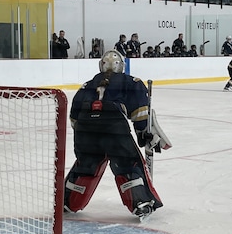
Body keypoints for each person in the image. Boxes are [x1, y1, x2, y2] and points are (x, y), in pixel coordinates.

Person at [63, 50, 168, 219]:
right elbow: (140, 113)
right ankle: (140, 202)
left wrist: (86, 138)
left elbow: (74, 118)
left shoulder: (87, 84)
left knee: (86, 164)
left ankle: (68, 201)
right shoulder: (131, 82)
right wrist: (143, 132)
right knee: (128, 164)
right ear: (122, 66)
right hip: (113, 126)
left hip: (85, 129)